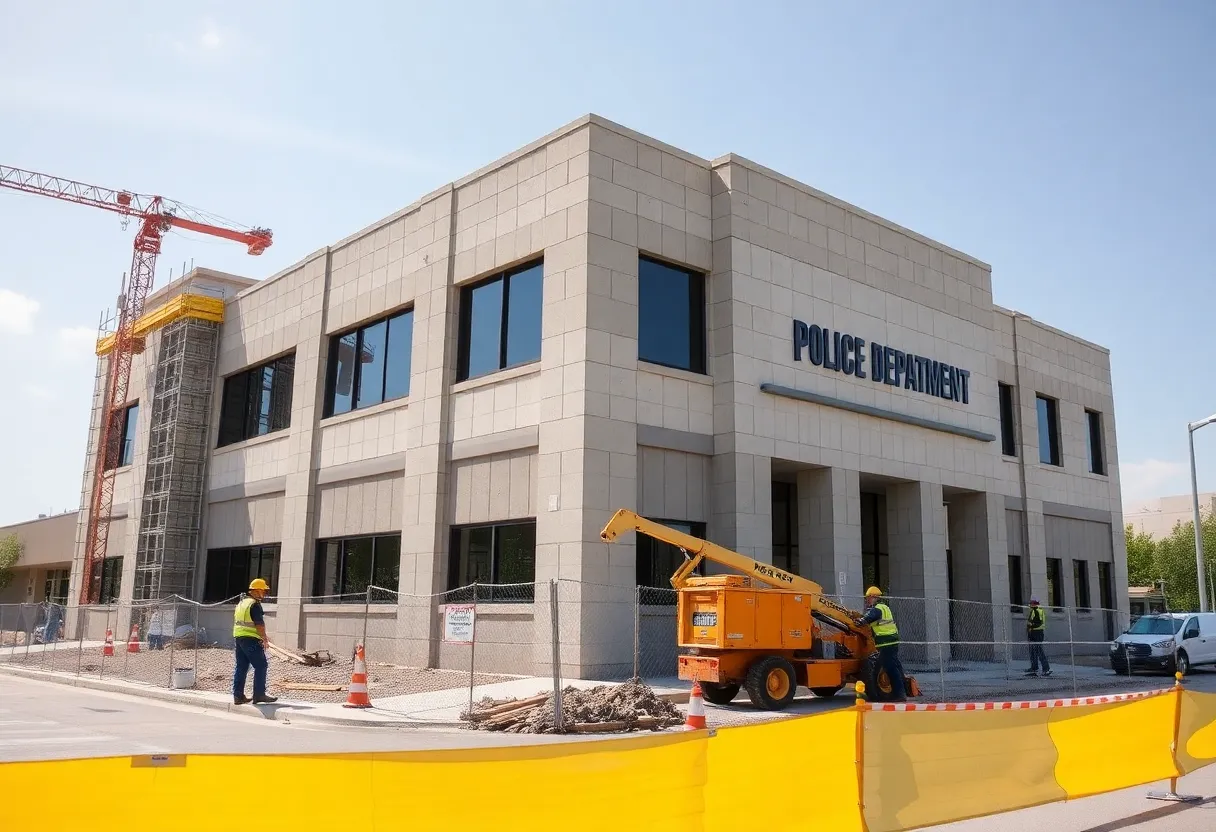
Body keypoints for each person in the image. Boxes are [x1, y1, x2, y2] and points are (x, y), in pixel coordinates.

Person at [233, 578, 278, 705]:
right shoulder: (254, 604)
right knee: (261, 665)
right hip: (251, 639)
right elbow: (259, 624)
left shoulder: (242, 603)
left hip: (239, 637)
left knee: (241, 667)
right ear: (257, 591)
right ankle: (259, 695)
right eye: (263, 591)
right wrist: (264, 638)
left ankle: (238, 696)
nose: (264, 594)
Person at [859, 586, 907, 702]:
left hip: (886, 643)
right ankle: (877, 694)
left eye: (869, 598)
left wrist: (860, 621)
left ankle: (899, 695)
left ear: (874, 597)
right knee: (880, 669)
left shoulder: (878, 609)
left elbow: (869, 618)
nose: (867, 600)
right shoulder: (884, 607)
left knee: (890, 668)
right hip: (890, 642)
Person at [1025, 598, 1052, 677]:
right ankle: (1034, 667)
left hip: (1037, 632)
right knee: (1033, 651)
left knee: (1039, 650)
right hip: (1034, 632)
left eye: (1031, 603)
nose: (1030, 605)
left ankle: (1046, 668)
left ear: (1034, 604)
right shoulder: (1035, 610)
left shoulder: (1037, 610)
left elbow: (1039, 622)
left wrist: (1031, 626)